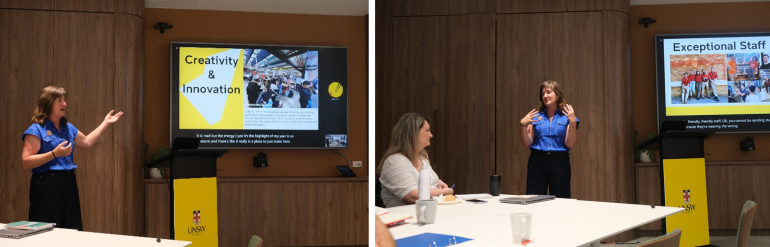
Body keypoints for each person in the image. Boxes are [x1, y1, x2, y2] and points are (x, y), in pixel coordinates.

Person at [21, 86, 123, 231]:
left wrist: (105, 123)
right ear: (48, 103)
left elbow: (87, 141)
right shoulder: (36, 129)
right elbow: (25, 162)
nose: (65, 104)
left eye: (65, 100)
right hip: (46, 183)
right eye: (59, 100)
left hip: (68, 181)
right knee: (45, 230)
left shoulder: (67, 127)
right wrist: (54, 154)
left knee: (71, 228)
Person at [377, 113, 453, 207]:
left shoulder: (423, 156)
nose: (431, 135)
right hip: (404, 218)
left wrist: (437, 181)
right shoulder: (394, 161)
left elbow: (422, 180)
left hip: (429, 211)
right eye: (427, 130)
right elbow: (412, 196)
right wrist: (446, 191)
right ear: (414, 133)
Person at [519, 81, 578, 198]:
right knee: (533, 198)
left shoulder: (567, 116)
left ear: (557, 94)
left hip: (560, 161)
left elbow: (570, 144)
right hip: (537, 161)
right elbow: (527, 143)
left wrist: (572, 121)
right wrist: (522, 125)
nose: (545, 96)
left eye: (548, 92)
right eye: (543, 94)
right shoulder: (535, 116)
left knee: (561, 199)